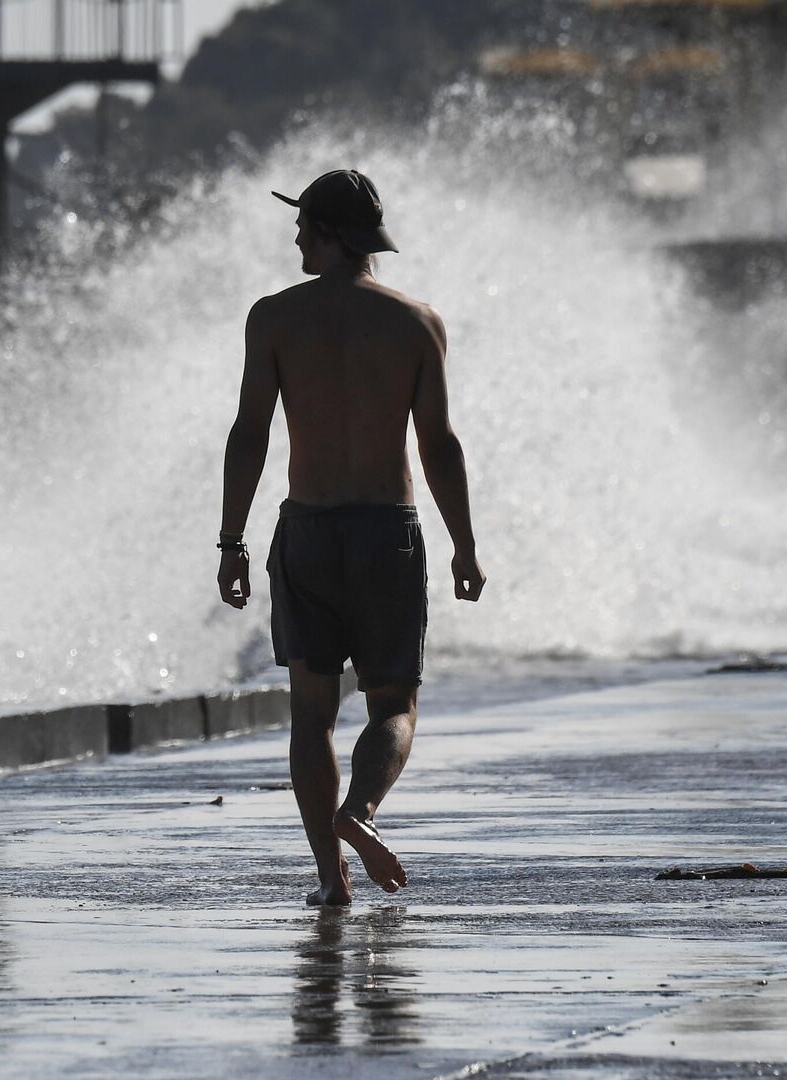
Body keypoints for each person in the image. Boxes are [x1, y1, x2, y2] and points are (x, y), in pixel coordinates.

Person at [217, 169, 485, 907]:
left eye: (304, 226)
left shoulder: (272, 318)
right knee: (393, 706)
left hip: (307, 532)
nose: (297, 237)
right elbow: (439, 444)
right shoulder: (416, 322)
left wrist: (230, 540)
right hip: (384, 532)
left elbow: (249, 435)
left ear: (331, 234)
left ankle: (329, 880)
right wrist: (464, 543)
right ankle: (358, 814)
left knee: (311, 713)